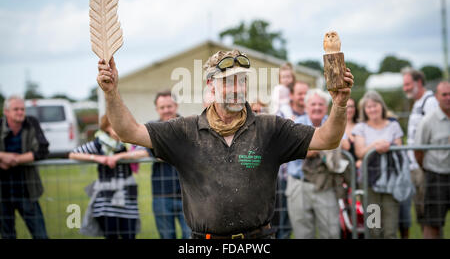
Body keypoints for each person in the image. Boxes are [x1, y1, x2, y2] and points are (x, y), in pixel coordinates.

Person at [96, 49, 354, 239]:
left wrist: (340, 104)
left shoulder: (270, 128)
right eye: (228, 81)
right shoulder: (184, 130)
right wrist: (111, 92)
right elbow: (129, 131)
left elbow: (327, 139)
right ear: (211, 85)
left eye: (241, 81)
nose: (236, 88)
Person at [69, 115, 148, 239]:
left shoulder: (130, 142)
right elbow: (73, 154)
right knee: (111, 235)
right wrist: (97, 158)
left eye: (120, 125)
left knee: (130, 235)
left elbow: (144, 153)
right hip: (106, 201)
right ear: (106, 127)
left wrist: (119, 157)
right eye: (113, 125)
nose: (117, 128)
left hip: (128, 197)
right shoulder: (99, 143)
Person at [286, 89, 346, 239]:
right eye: (313, 104)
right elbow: (291, 151)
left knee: (331, 232)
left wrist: (311, 148)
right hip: (298, 184)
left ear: (326, 107)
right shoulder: (294, 124)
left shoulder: (334, 124)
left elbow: (340, 145)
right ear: (306, 106)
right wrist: (319, 147)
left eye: (321, 104)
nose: (317, 107)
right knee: (302, 233)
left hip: (325, 184)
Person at [352, 91, 405, 239]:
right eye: (368, 107)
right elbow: (360, 152)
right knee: (374, 228)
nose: (372, 109)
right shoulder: (361, 128)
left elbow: (399, 150)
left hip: (391, 184)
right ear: (364, 110)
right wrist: (376, 145)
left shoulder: (393, 126)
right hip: (370, 184)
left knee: (390, 229)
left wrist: (390, 146)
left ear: (381, 106)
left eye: (375, 105)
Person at [0, 95, 49, 239]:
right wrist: (3, 157)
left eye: (22, 109)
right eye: (16, 109)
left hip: (27, 190)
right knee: (7, 235)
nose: (20, 112)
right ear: (6, 111)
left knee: (41, 235)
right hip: (2, 192)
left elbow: (43, 149)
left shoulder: (31, 123)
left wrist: (17, 159)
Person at [147, 90, 191, 239]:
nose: (166, 110)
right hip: (162, 195)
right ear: (156, 109)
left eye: (169, 106)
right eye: (162, 107)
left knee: (189, 236)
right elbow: (154, 154)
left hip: (189, 194)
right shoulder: (151, 129)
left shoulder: (188, 127)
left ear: (176, 106)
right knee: (166, 236)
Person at [401, 68, 438, 238]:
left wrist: (422, 162)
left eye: (408, 84)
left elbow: (434, 134)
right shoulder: (417, 103)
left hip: (424, 166)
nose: (405, 88)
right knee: (420, 211)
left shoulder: (429, 102)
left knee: (428, 213)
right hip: (415, 166)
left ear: (419, 82)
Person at [273, 81, 309, 239]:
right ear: (292, 96)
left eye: (305, 93)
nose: (303, 97)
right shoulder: (282, 114)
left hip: (310, 176)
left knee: (302, 221)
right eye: (300, 93)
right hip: (286, 174)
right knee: (282, 219)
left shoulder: (313, 112)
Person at [414, 81, 450, 239]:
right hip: (436, 176)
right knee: (432, 223)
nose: (448, 98)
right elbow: (418, 151)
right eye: (444, 94)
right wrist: (427, 169)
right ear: (437, 96)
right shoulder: (428, 121)